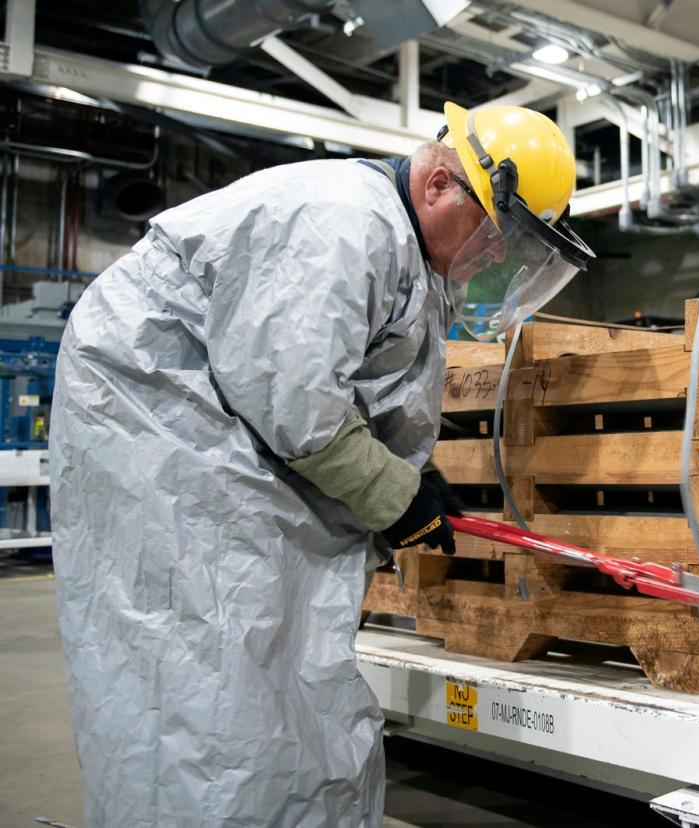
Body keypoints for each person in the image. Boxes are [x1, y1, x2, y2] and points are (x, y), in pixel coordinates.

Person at [49, 101, 593, 827]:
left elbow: (356, 386)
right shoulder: (341, 224)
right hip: (162, 416)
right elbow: (297, 405)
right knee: (208, 656)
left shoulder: (409, 252)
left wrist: (413, 480)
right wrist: (395, 496)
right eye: (498, 233)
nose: (496, 256)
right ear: (438, 187)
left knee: (276, 648)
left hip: (225, 418)